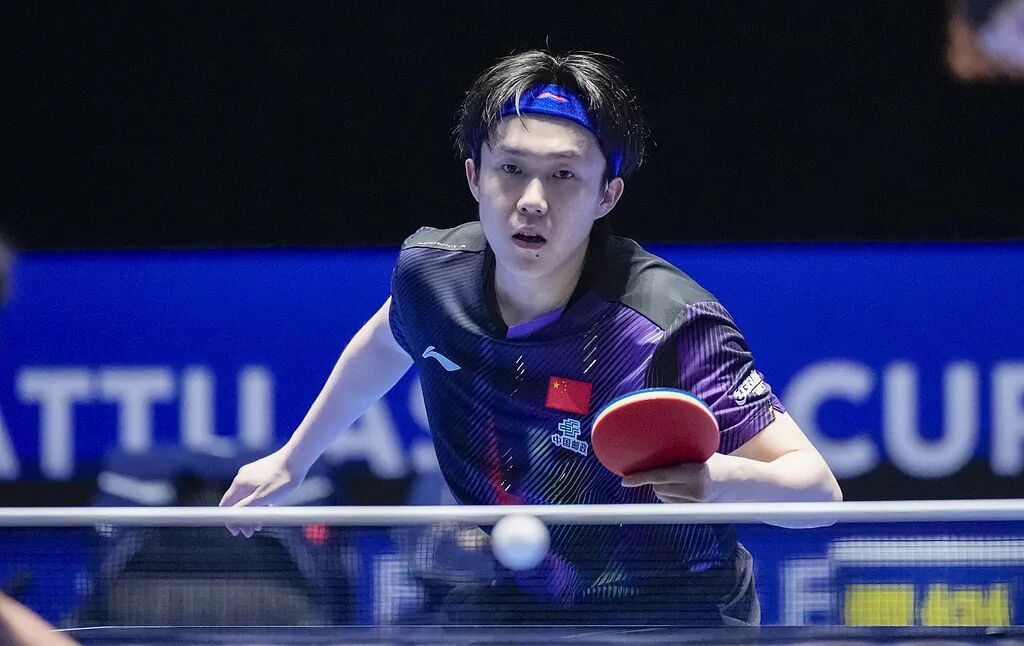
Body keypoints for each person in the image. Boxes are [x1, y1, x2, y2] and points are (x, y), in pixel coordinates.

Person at [220, 49, 842, 625]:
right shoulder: (432, 277)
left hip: (678, 607)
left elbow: (818, 495)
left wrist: (717, 480)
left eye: (564, 174)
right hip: (526, 595)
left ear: (607, 195)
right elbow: (388, 340)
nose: (533, 200)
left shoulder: (665, 323)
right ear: (474, 177)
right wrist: (292, 460)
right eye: (511, 169)